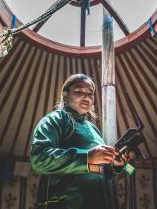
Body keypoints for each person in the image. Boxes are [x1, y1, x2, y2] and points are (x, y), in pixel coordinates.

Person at [30, 74, 127, 209]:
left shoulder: (93, 129)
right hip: (66, 204)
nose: (86, 97)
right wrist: (87, 157)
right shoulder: (55, 119)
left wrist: (115, 165)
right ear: (65, 95)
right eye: (79, 91)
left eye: (90, 94)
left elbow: (100, 170)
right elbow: (39, 159)